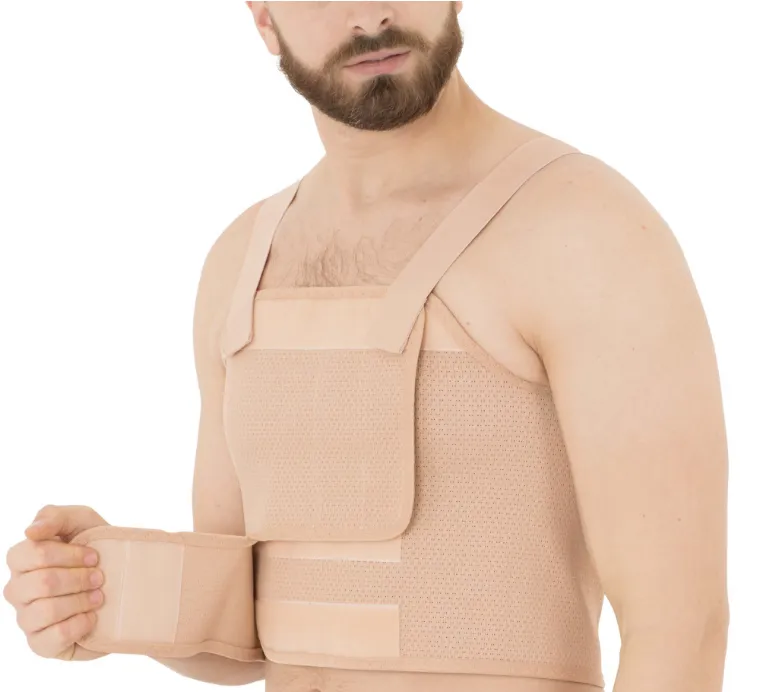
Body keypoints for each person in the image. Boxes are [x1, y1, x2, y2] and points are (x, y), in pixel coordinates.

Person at [3, 2, 729, 691]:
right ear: (264, 19)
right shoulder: (242, 259)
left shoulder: (582, 227)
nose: (369, 14)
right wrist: (101, 589)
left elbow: (681, 631)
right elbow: (245, 629)